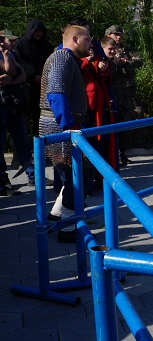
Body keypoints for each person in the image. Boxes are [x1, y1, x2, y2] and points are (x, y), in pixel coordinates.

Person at [40, 25, 93, 243]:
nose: (91, 44)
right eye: (87, 40)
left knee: (71, 177)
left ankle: (56, 215)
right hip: (60, 126)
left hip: (58, 125)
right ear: (75, 39)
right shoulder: (61, 58)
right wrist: (69, 126)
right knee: (82, 177)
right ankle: (69, 228)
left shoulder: (65, 59)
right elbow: (55, 94)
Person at [0, 30, 35, 194]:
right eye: (9, 40)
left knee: (22, 141)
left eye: (14, 41)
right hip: (1, 104)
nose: (12, 43)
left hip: (13, 103)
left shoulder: (11, 54)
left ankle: (32, 175)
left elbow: (19, 74)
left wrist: (7, 56)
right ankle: (2, 180)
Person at [80, 37, 117, 188]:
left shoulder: (97, 56)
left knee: (101, 143)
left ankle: (100, 180)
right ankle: (87, 182)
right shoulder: (73, 57)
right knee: (86, 146)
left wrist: (103, 69)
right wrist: (86, 62)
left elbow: (104, 76)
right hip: (84, 109)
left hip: (99, 108)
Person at [106, 25, 143, 165]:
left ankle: (123, 153)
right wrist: (114, 62)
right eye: (115, 34)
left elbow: (139, 60)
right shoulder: (105, 49)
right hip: (113, 93)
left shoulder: (126, 50)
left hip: (127, 93)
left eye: (120, 34)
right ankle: (113, 155)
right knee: (113, 125)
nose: (118, 37)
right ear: (108, 35)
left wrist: (126, 62)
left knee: (127, 124)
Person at [13, 19, 53, 137]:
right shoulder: (20, 44)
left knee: (40, 120)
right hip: (25, 86)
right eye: (36, 31)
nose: (39, 34)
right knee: (22, 120)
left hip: (42, 87)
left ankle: (40, 148)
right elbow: (18, 62)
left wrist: (43, 78)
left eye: (41, 31)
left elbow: (50, 63)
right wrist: (32, 75)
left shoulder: (47, 46)